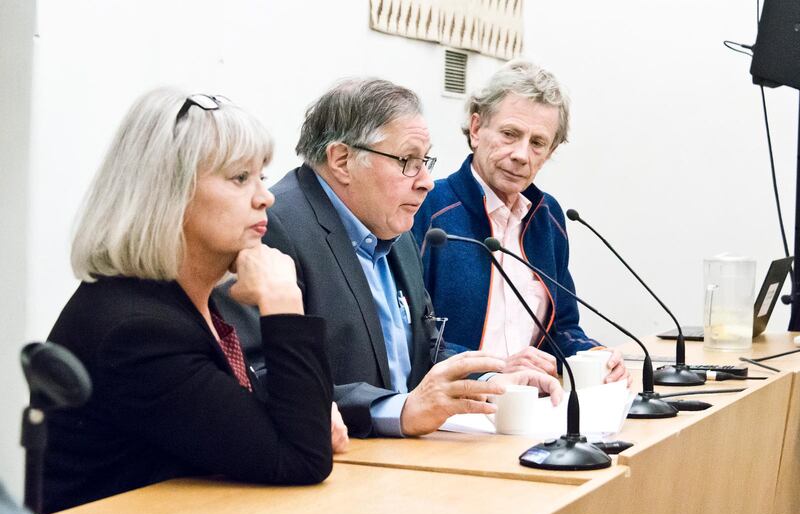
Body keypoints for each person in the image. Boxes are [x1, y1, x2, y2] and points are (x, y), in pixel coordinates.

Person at [43, 89, 340, 514]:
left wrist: (305, 418)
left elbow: (269, 436)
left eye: (262, 176)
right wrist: (282, 301)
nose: (265, 198)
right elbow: (302, 459)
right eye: (240, 179)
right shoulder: (138, 331)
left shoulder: (178, 302)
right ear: (171, 193)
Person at [216, 78, 563, 439]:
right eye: (408, 161)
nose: (426, 181)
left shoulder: (392, 224)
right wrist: (396, 410)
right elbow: (257, 376)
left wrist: (491, 379)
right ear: (342, 160)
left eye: (425, 161)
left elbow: (426, 347)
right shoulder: (273, 227)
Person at [412, 60, 630, 385]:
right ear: (476, 129)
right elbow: (412, 337)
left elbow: (563, 330)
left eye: (538, 143)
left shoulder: (548, 216)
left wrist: (593, 355)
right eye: (510, 134)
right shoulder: (427, 207)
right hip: (454, 409)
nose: (521, 155)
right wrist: (495, 370)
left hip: (533, 406)